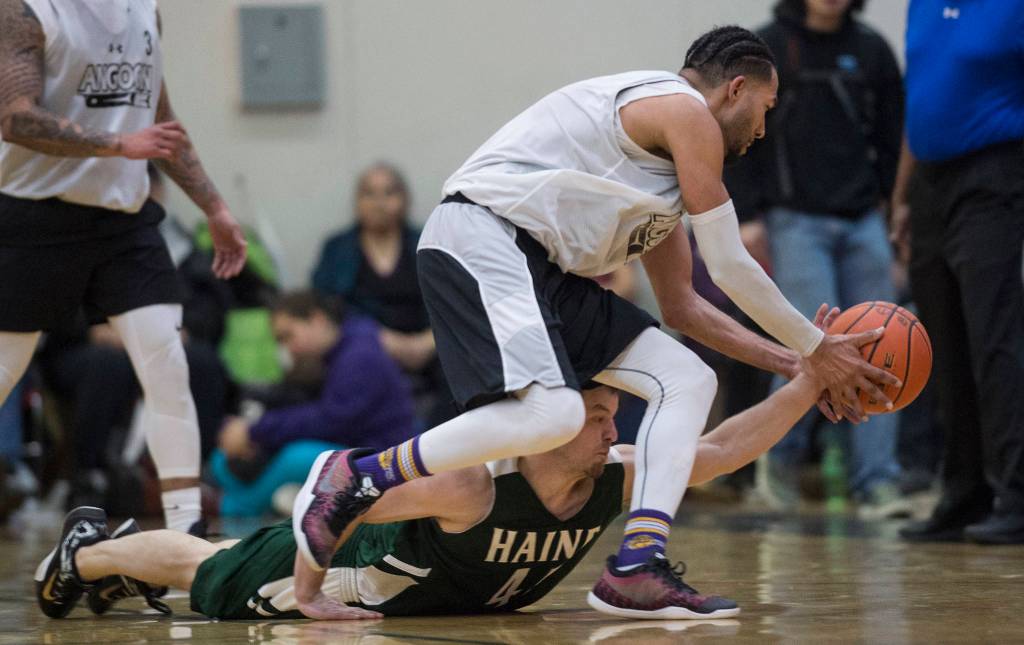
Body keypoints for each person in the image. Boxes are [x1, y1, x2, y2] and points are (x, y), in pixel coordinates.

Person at [291, 25, 898, 621]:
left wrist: (796, 363)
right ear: (734, 89)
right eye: (765, 110)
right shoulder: (684, 111)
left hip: (544, 270)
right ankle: (361, 474)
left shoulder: (665, 174)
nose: (764, 130)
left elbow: (684, 307)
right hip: (483, 235)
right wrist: (818, 347)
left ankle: (637, 564)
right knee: (554, 415)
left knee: (687, 379)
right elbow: (732, 265)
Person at [34, 306, 834, 620]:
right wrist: (312, 591)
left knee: (204, 564)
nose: (611, 424)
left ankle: (111, 558)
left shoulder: (616, 475)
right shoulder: (470, 484)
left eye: (612, 412)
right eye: (593, 414)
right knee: (209, 569)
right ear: (539, 430)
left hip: (424, 600)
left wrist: (806, 381)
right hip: (347, 572)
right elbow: (337, 495)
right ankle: (89, 551)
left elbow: (723, 448)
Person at [0, 0, 247, 533]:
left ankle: (185, 533)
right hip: (34, 215)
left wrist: (215, 207)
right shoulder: (27, 11)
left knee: (168, 366)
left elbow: (161, 123)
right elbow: (15, 118)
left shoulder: (145, 11)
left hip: (123, 220)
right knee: (4, 372)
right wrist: (118, 143)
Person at [722, 0, 908, 518]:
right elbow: (735, 137)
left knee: (884, 348)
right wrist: (750, 216)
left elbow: (892, 139)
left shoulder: (871, 50)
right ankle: (776, 466)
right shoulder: (768, 48)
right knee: (809, 344)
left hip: (863, 221)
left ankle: (877, 481)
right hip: (794, 221)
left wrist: (896, 218)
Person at [891, 0, 1024, 544]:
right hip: (929, 181)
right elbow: (920, 102)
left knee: (994, 337)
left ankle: (1017, 493)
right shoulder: (921, 6)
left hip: (993, 172)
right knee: (941, 337)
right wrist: (901, 195)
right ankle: (965, 493)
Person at [212, 291, 419, 517]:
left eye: (288, 335)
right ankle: (242, 502)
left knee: (296, 457)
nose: (288, 347)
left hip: (379, 458)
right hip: (349, 446)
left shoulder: (360, 356)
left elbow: (331, 420)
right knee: (223, 458)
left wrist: (255, 430)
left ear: (317, 319)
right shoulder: (337, 353)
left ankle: (233, 507)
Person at [312, 164, 447, 424]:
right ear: (357, 201)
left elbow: (455, 300)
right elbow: (326, 309)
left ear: (404, 199)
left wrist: (428, 341)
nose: (379, 203)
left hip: (431, 343)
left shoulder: (430, 241)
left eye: (389, 193)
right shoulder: (338, 248)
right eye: (369, 194)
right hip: (365, 343)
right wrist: (379, 338)